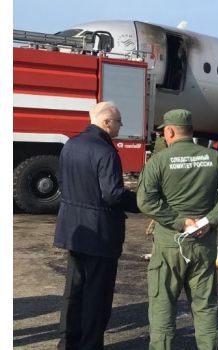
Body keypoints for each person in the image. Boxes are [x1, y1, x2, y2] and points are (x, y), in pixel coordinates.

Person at [137, 109, 218, 350]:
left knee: (163, 305)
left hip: (169, 246)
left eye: (164, 132)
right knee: (205, 306)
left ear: (170, 131)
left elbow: (146, 201)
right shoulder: (215, 158)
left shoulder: (159, 161)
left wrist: (180, 222)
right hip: (203, 245)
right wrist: (209, 220)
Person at [53, 101, 139, 349]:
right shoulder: (106, 151)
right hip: (100, 234)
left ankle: (68, 342)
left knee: (74, 290)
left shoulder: (71, 144)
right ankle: (90, 344)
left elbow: (63, 180)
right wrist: (139, 201)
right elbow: (112, 194)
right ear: (106, 122)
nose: (120, 127)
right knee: (97, 295)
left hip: (72, 229)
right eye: (119, 122)